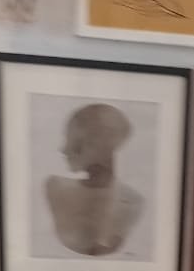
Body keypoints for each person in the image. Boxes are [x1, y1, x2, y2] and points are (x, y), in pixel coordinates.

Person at [45, 103, 144, 257]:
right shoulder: (56, 188)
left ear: (98, 147)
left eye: (75, 142)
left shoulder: (132, 202)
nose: (63, 150)